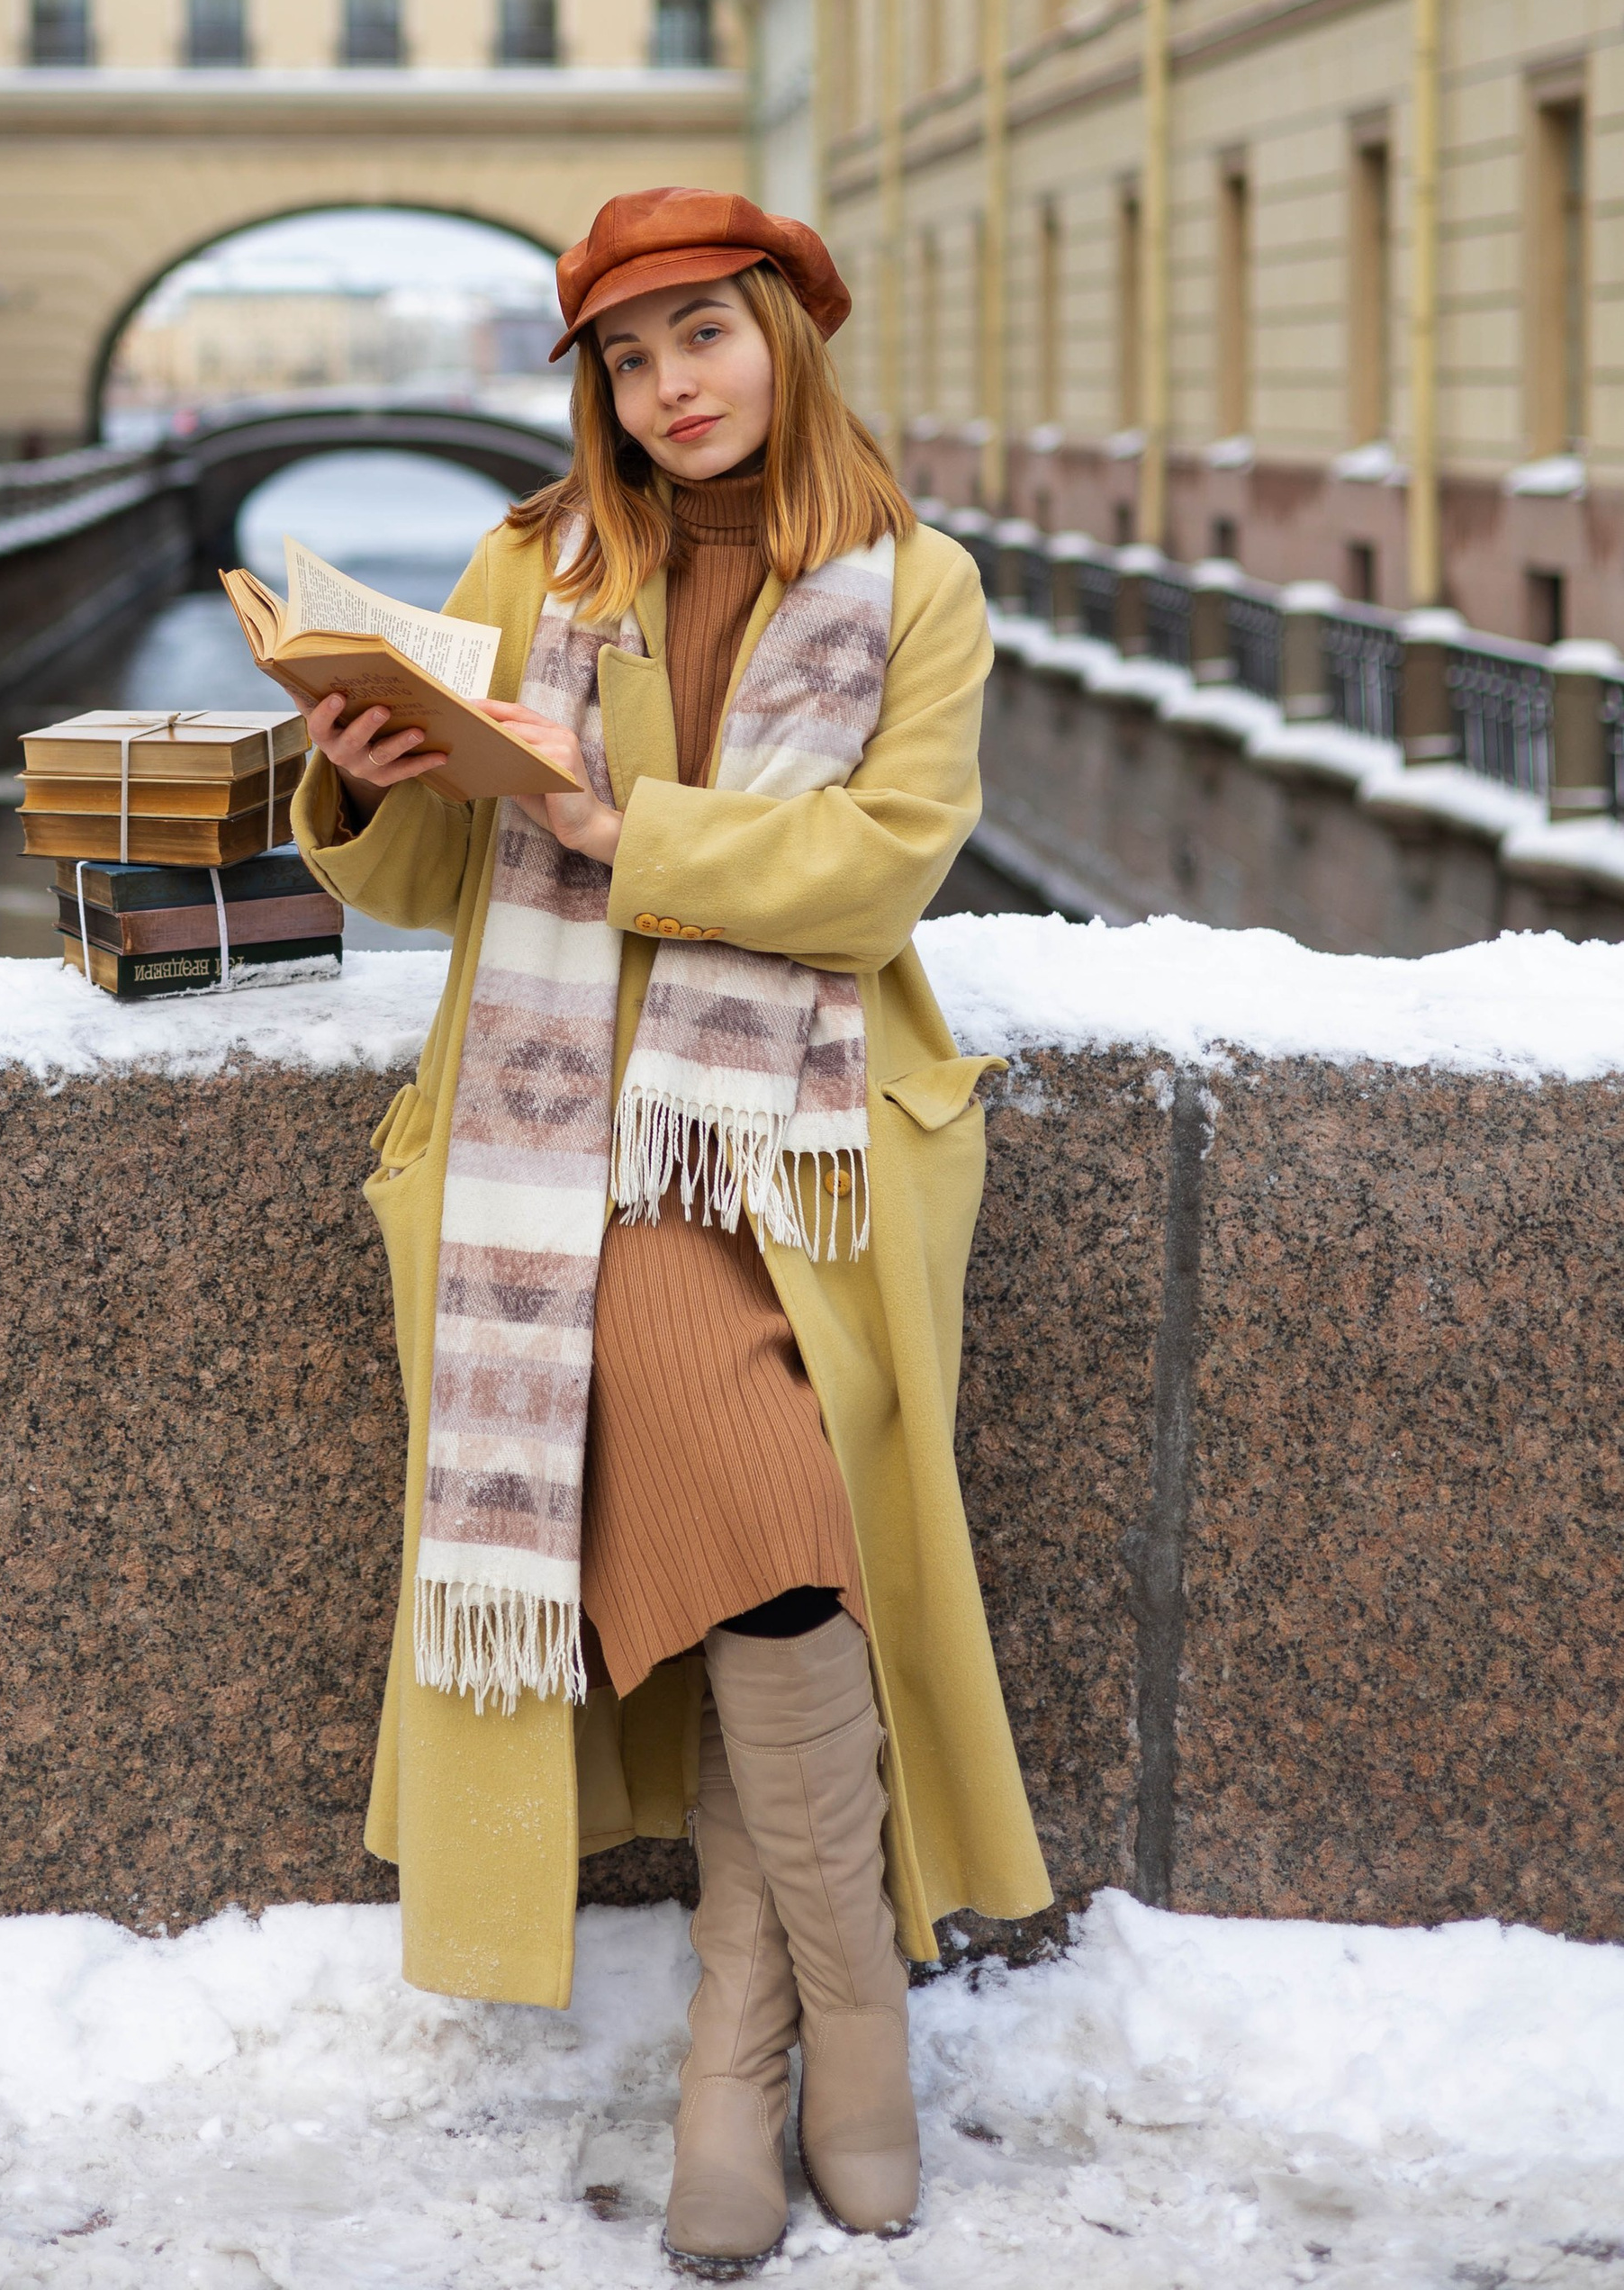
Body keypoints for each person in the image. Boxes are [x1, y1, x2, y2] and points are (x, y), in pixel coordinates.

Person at [295, 185, 1049, 2270]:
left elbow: (876, 869)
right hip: (567, 1153)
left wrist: (632, 833)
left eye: (698, 337)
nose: (666, 387)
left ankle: (752, 2022)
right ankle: (819, 2020)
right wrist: (363, 777)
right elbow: (430, 879)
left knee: (778, 1552)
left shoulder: (910, 584)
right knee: (780, 1548)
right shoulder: (528, 562)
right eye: (626, 359)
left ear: (784, 333)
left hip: (801, 1158)